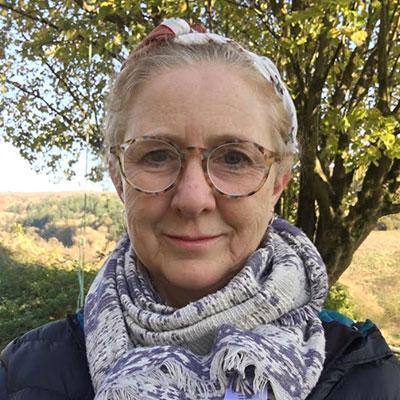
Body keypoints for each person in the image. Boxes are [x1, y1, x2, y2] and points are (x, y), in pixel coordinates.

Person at [1, 18, 399, 400]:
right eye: (157, 155)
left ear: (278, 182)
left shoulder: (367, 377)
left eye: (236, 158)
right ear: (119, 176)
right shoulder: (26, 377)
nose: (193, 199)